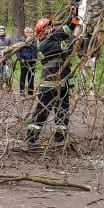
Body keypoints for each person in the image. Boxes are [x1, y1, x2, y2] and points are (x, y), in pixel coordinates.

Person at [25, 12, 82, 147]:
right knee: (42, 111)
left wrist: (74, 16)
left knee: (63, 112)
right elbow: (66, 45)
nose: (51, 28)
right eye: (47, 27)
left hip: (63, 83)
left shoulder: (54, 36)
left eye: (51, 25)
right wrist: (75, 36)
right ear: (42, 32)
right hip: (49, 84)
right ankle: (31, 138)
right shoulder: (44, 44)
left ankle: (60, 138)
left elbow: (68, 28)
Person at [17, 26, 38, 96]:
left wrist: (35, 59)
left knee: (31, 77)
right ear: (25, 33)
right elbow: (17, 51)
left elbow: (35, 50)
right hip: (24, 61)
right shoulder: (21, 40)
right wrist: (20, 59)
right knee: (23, 76)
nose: (30, 33)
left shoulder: (34, 40)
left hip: (32, 61)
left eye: (31, 32)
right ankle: (22, 91)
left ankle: (30, 91)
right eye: (28, 32)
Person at [0, 25, 12, 92]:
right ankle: (0, 84)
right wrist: (4, 48)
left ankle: (7, 85)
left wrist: (7, 49)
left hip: (7, 56)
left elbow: (11, 46)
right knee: (0, 71)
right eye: (0, 31)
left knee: (7, 71)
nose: (1, 32)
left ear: (4, 31)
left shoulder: (8, 37)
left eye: (2, 31)